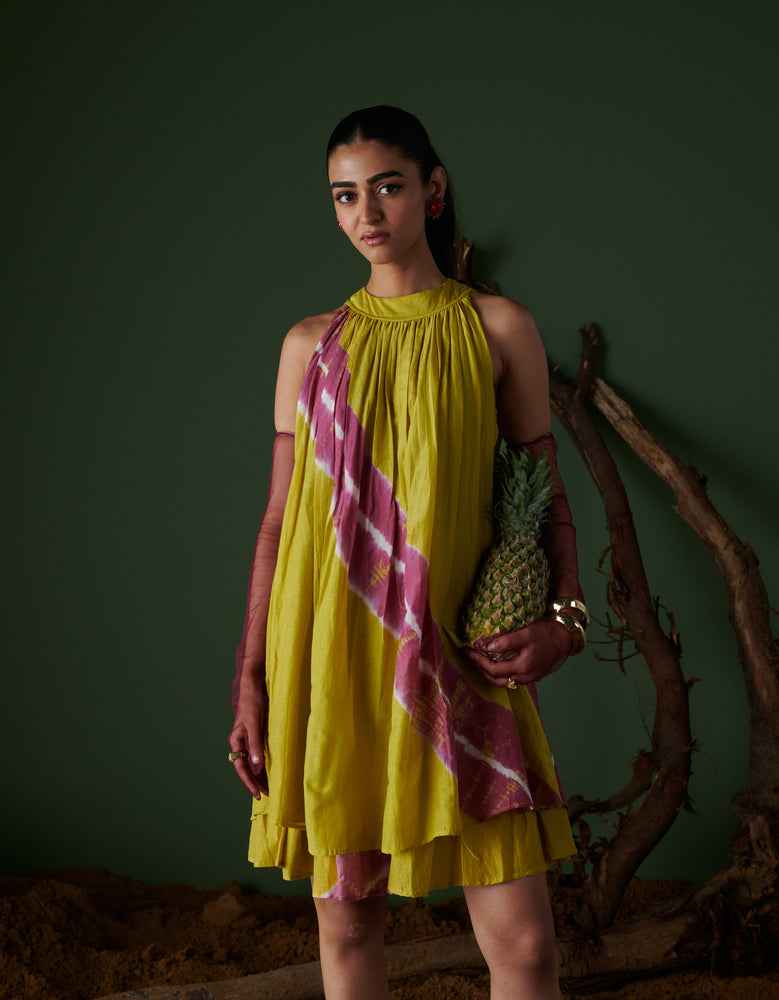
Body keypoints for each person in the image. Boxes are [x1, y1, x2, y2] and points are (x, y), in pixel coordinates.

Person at [228, 105, 587, 1000]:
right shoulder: (309, 347)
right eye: (344, 195)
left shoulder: (499, 328)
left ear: (433, 191)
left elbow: (549, 504)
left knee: (528, 949)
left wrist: (565, 623)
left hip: (457, 657)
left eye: (386, 186)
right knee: (348, 928)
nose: (366, 213)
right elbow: (277, 525)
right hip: (332, 662)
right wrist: (251, 676)